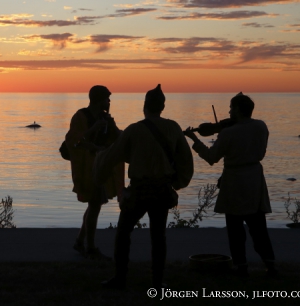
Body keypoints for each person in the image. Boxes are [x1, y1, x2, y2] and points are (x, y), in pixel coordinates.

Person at [93, 84, 194, 289]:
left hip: (139, 190)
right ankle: (157, 283)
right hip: (162, 190)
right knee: (158, 237)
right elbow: (185, 161)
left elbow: (112, 155)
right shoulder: (173, 127)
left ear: (144, 106)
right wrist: (176, 183)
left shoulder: (134, 129)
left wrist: (98, 170)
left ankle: (120, 278)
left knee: (123, 233)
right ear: (162, 106)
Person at [184, 92, 277, 277]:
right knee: (259, 227)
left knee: (235, 230)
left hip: (234, 181)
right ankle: (271, 265)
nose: (228, 111)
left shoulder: (228, 133)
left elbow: (211, 157)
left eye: (231, 108)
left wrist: (194, 140)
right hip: (255, 179)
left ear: (237, 109)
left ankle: (241, 267)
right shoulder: (261, 126)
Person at [65, 85, 124, 260]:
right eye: (107, 98)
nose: (109, 102)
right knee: (94, 204)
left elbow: (118, 139)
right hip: (87, 168)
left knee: (94, 205)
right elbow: (73, 141)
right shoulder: (80, 116)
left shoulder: (105, 118)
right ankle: (89, 247)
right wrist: (93, 130)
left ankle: (80, 242)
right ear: (99, 100)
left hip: (101, 167)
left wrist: (112, 126)